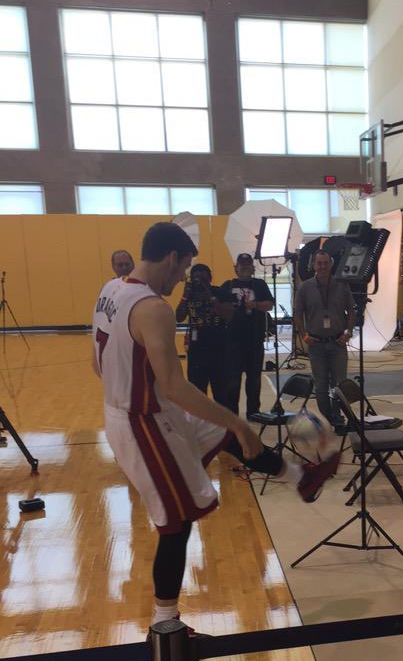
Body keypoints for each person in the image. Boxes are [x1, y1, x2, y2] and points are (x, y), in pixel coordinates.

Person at [92, 222, 339, 630]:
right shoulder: (153, 308)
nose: (183, 278)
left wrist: (227, 425)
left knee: (222, 434)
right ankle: (164, 623)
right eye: (184, 268)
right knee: (177, 519)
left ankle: (299, 479)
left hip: (143, 408)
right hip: (140, 422)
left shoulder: (109, 290)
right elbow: (174, 386)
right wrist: (239, 422)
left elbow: (96, 364)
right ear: (172, 258)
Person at [293, 249, 356, 429]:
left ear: (331, 264)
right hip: (316, 344)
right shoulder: (305, 287)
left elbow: (352, 310)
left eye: (326, 263)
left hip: (337, 343)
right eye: (319, 263)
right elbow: (298, 314)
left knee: (339, 385)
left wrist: (348, 332)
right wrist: (303, 334)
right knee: (320, 386)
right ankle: (328, 419)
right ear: (314, 265)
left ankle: (338, 419)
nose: (322, 267)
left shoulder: (342, 285)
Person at [218, 253, 273, 418]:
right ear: (236, 268)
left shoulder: (260, 284)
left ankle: (254, 412)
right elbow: (218, 306)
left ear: (252, 267)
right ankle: (231, 414)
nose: (244, 268)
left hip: (255, 339)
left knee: (254, 379)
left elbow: (270, 305)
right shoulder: (227, 285)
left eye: (247, 265)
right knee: (232, 380)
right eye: (241, 265)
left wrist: (254, 304)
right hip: (232, 340)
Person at [175, 262, 231, 404]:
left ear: (210, 279)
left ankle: (224, 423)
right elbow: (179, 317)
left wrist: (210, 297)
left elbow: (229, 315)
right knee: (197, 392)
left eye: (204, 280)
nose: (200, 283)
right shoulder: (189, 296)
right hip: (196, 351)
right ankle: (200, 424)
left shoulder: (220, 292)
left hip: (219, 349)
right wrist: (184, 296)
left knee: (222, 392)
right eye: (197, 280)